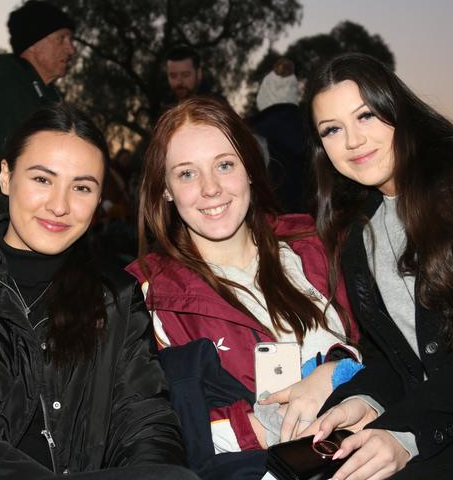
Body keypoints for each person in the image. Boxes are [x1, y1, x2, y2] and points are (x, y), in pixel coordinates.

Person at [0, 103, 195, 480]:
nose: (59, 205)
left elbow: (145, 421)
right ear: (6, 177)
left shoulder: (114, 296)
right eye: (42, 179)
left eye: (82, 187)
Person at [303, 53, 453, 479]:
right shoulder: (361, 234)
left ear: (399, 111)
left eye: (366, 116)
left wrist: (406, 430)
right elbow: (398, 358)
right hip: (445, 434)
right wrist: (363, 401)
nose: (353, 141)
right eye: (333, 130)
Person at [126, 97, 361, 473]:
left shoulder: (318, 247)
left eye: (224, 165)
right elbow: (154, 436)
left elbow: (395, 360)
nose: (211, 189)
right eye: (187, 173)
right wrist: (266, 427)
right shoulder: (146, 297)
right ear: (165, 189)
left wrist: (336, 372)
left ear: (250, 168)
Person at [0, 0, 76, 234]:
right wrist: (10, 243)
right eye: (62, 38)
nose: (71, 49)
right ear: (34, 44)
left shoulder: (45, 97)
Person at [250, 58, 310, 213]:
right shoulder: (313, 131)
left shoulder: (251, 135)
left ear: (264, 92)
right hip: (308, 223)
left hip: (271, 222)